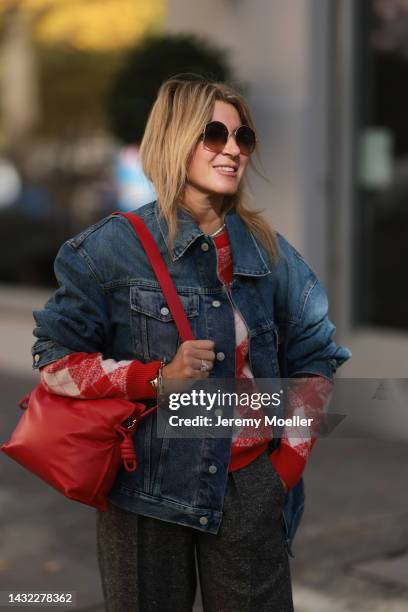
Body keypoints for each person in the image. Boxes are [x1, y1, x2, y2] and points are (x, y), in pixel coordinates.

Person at [31, 76, 351, 612]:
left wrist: (285, 470)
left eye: (243, 137)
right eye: (214, 134)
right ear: (175, 139)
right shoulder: (108, 250)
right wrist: (152, 378)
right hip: (144, 493)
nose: (233, 148)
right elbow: (55, 363)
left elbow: (317, 358)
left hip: (249, 488)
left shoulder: (269, 253)